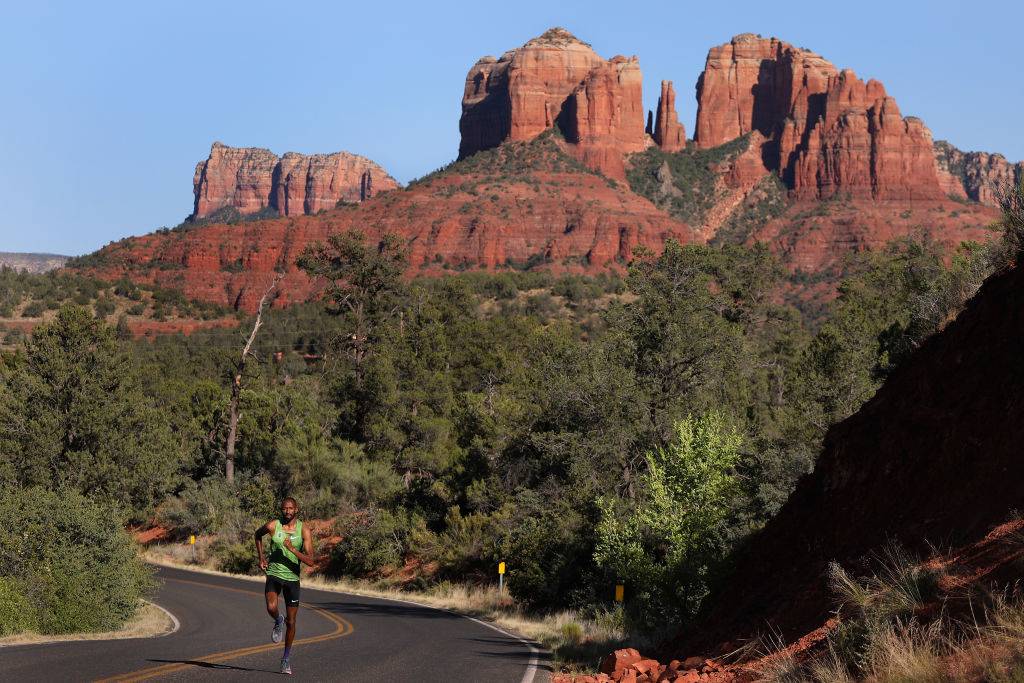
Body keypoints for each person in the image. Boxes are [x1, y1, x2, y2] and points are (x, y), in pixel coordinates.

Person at [254, 497, 314, 675]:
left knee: (292, 621)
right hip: (273, 573)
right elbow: (257, 535)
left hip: (292, 579)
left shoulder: (304, 530)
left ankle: (286, 659)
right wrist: (261, 557)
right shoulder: (274, 525)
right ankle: (277, 620)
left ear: (296, 509)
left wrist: (293, 549)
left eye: (290, 508)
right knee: (271, 606)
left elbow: (311, 561)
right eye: (284, 508)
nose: (287, 511)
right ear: (281, 510)